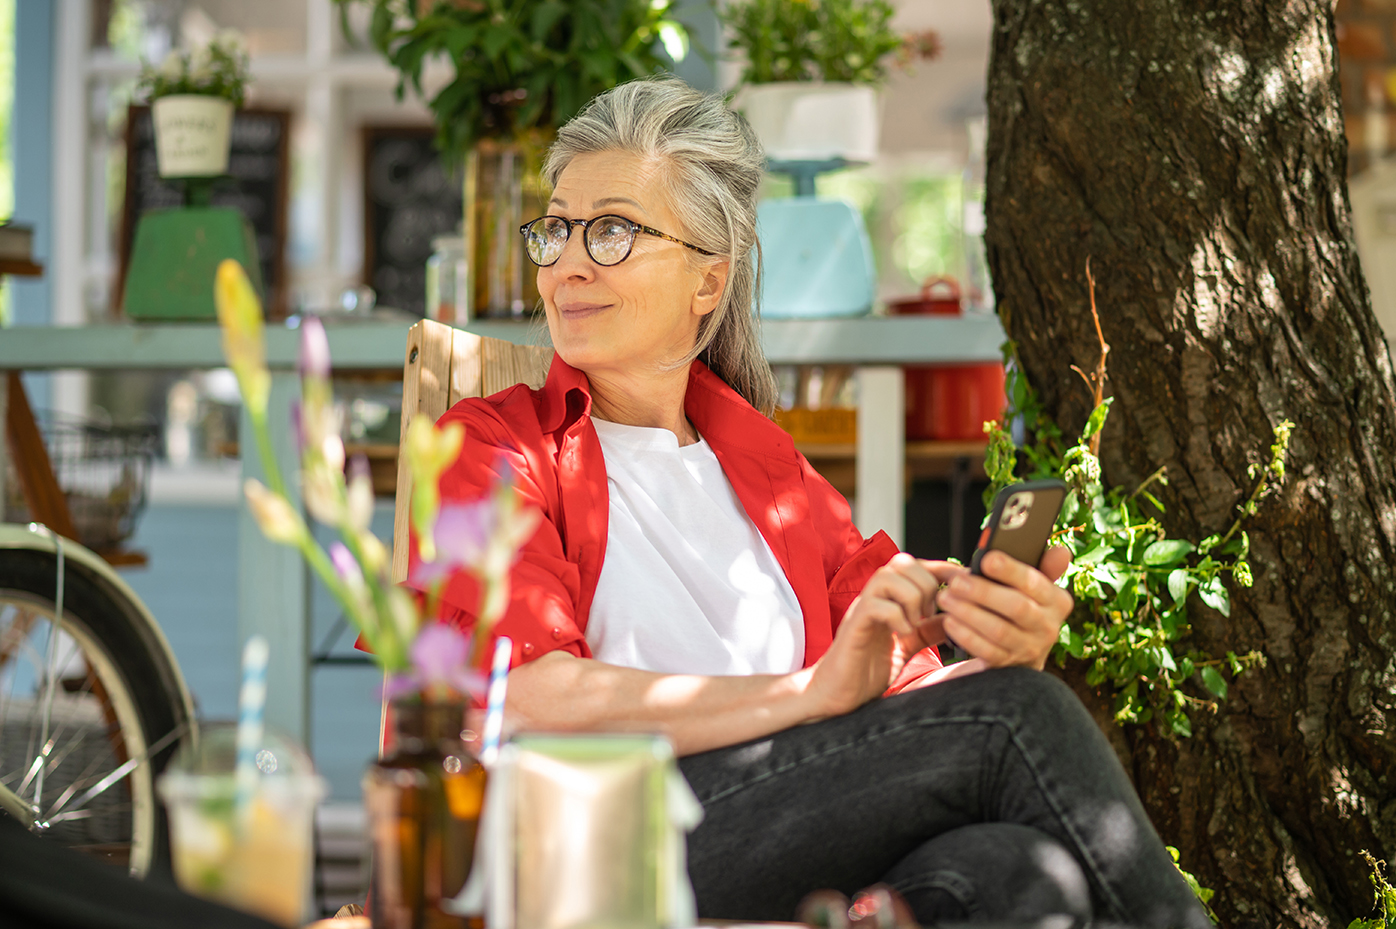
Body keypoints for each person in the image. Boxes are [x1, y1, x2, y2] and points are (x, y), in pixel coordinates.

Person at [422, 77, 1211, 928]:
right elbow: (522, 696)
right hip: (596, 848)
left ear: (707, 281)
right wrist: (810, 694)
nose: (569, 262)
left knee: (1020, 868)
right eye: (558, 229)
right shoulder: (496, 446)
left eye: (612, 229)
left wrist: (1004, 642)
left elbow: (909, 703)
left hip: (767, 839)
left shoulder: (771, 474)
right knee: (1018, 721)